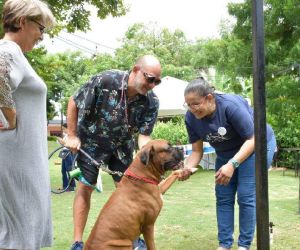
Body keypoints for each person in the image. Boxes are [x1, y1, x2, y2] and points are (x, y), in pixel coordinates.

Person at [63, 55, 162, 250]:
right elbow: (74, 101)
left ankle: (133, 238)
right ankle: (77, 242)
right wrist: (72, 135)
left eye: (157, 82)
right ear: (135, 70)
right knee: (85, 187)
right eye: (150, 78)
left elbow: (144, 136)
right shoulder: (106, 80)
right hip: (91, 143)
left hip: (122, 147)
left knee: (127, 192)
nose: (152, 85)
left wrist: (146, 152)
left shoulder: (152, 102)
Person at [179, 78, 277, 250]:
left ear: (209, 98)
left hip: (256, 144)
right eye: (188, 104)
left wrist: (232, 164)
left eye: (195, 104)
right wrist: (187, 167)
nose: (192, 109)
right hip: (226, 152)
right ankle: (224, 245)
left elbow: (253, 138)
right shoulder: (191, 118)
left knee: (246, 195)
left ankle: (244, 245)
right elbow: (196, 151)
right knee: (223, 196)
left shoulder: (230, 106)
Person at [0, 0, 55, 249]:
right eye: (41, 28)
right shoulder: (8, 50)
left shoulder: (16, 55)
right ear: (23, 21)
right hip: (15, 160)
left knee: (23, 230)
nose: (42, 36)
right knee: (17, 234)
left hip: (23, 159)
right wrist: (11, 117)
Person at [59, 124, 76, 192]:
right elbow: (63, 145)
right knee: (63, 170)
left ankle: (71, 186)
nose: (63, 130)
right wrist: (61, 141)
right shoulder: (66, 135)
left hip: (68, 153)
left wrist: (63, 142)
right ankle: (65, 186)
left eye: (64, 129)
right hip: (64, 153)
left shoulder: (71, 136)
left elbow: (70, 145)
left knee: (69, 170)